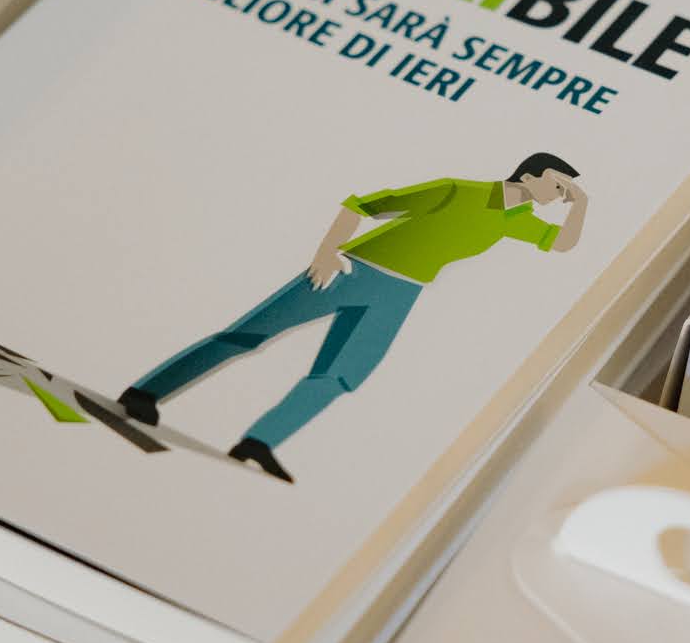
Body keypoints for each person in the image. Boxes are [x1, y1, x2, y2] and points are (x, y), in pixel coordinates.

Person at [120, 153, 589, 482]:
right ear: (530, 175)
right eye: (556, 185)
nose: (559, 194)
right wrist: (327, 252)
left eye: (563, 190)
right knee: (249, 335)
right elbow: (361, 204)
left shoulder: (516, 219)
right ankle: (145, 392)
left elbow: (563, 244)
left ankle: (259, 442)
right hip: (352, 270)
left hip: (401, 292)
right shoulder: (459, 190)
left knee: (344, 373)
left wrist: (580, 204)